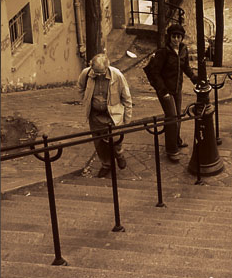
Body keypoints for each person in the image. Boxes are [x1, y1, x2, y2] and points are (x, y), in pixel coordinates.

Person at [144, 22, 199, 162]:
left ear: (182, 38)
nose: (176, 39)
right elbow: (155, 73)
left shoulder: (183, 50)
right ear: (170, 37)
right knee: (172, 118)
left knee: (178, 116)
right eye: (174, 36)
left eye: (179, 37)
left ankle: (177, 140)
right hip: (165, 91)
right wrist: (163, 91)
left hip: (177, 89)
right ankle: (171, 150)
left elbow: (185, 67)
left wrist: (194, 78)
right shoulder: (163, 52)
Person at [78, 53, 133, 178]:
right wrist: (86, 101)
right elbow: (80, 87)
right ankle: (106, 164)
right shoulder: (86, 73)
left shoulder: (117, 75)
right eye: (95, 72)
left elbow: (126, 97)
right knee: (99, 143)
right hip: (95, 115)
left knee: (115, 140)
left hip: (113, 115)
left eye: (101, 72)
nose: (97, 75)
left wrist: (127, 119)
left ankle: (119, 154)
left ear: (107, 67)